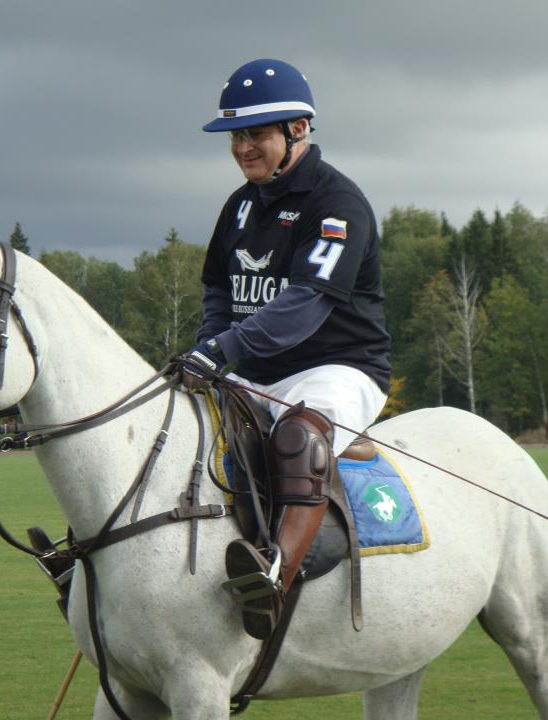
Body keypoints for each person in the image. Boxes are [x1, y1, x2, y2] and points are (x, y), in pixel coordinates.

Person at [176, 58, 391, 639]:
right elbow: (218, 288)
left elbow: (306, 304)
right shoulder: (240, 204)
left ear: (297, 129)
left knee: (298, 436)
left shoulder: (337, 202)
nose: (243, 148)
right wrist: (207, 347)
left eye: (256, 134)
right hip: (257, 371)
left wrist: (224, 349)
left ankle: (273, 577)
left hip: (338, 369)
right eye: (236, 136)